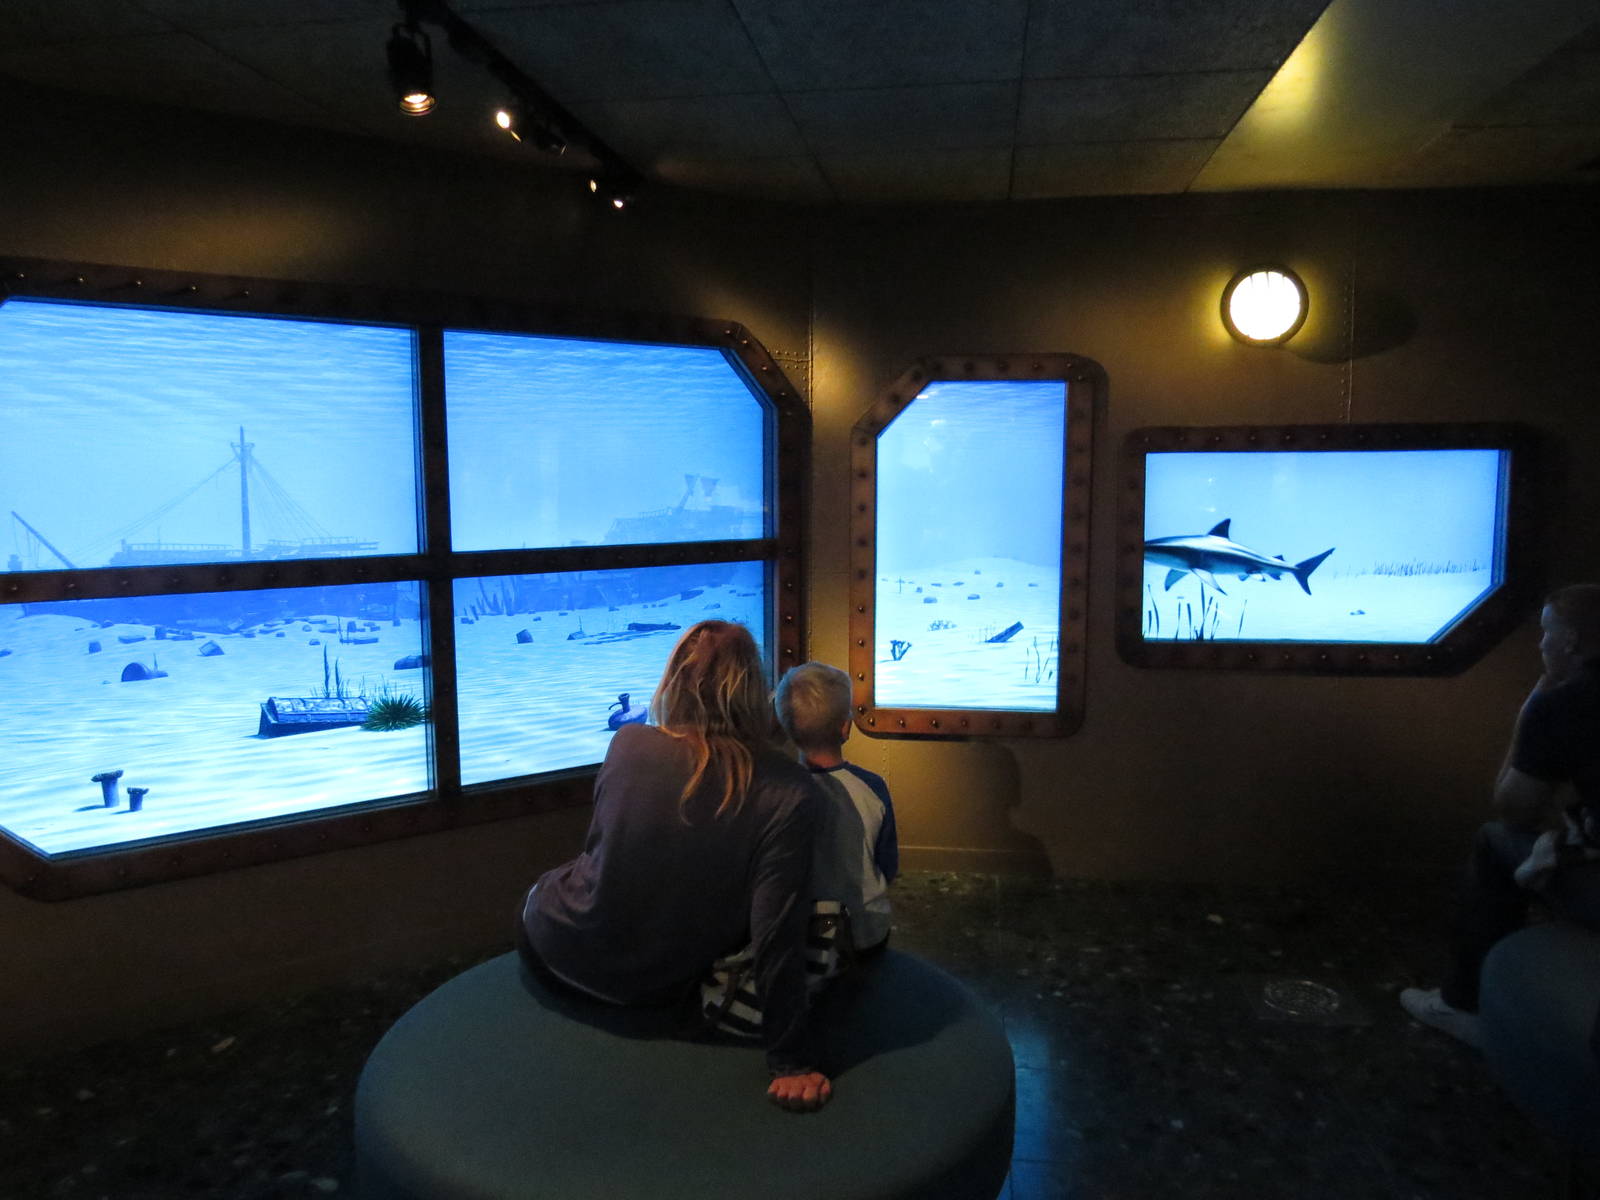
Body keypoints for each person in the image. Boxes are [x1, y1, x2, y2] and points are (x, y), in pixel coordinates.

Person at [517, 620, 831, 1111]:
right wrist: (789, 1061)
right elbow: (775, 934)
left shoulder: (628, 744)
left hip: (551, 952)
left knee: (565, 877)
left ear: (673, 680)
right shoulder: (789, 790)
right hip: (654, 995)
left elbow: (607, 862)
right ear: (755, 689)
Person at [1401, 584, 1600, 1046]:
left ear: (1569, 640)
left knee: (1495, 841)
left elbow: (1514, 808)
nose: (1541, 644)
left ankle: (1461, 1005)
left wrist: (1538, 698)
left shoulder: (1568, 702)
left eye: (1546, 633)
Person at [774, 661, 899, 956]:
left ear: (785, 727)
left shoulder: (777, 791)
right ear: (845, 727)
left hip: (802, 938)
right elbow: (888, 865)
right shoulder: (873, 788)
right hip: (866, 932)